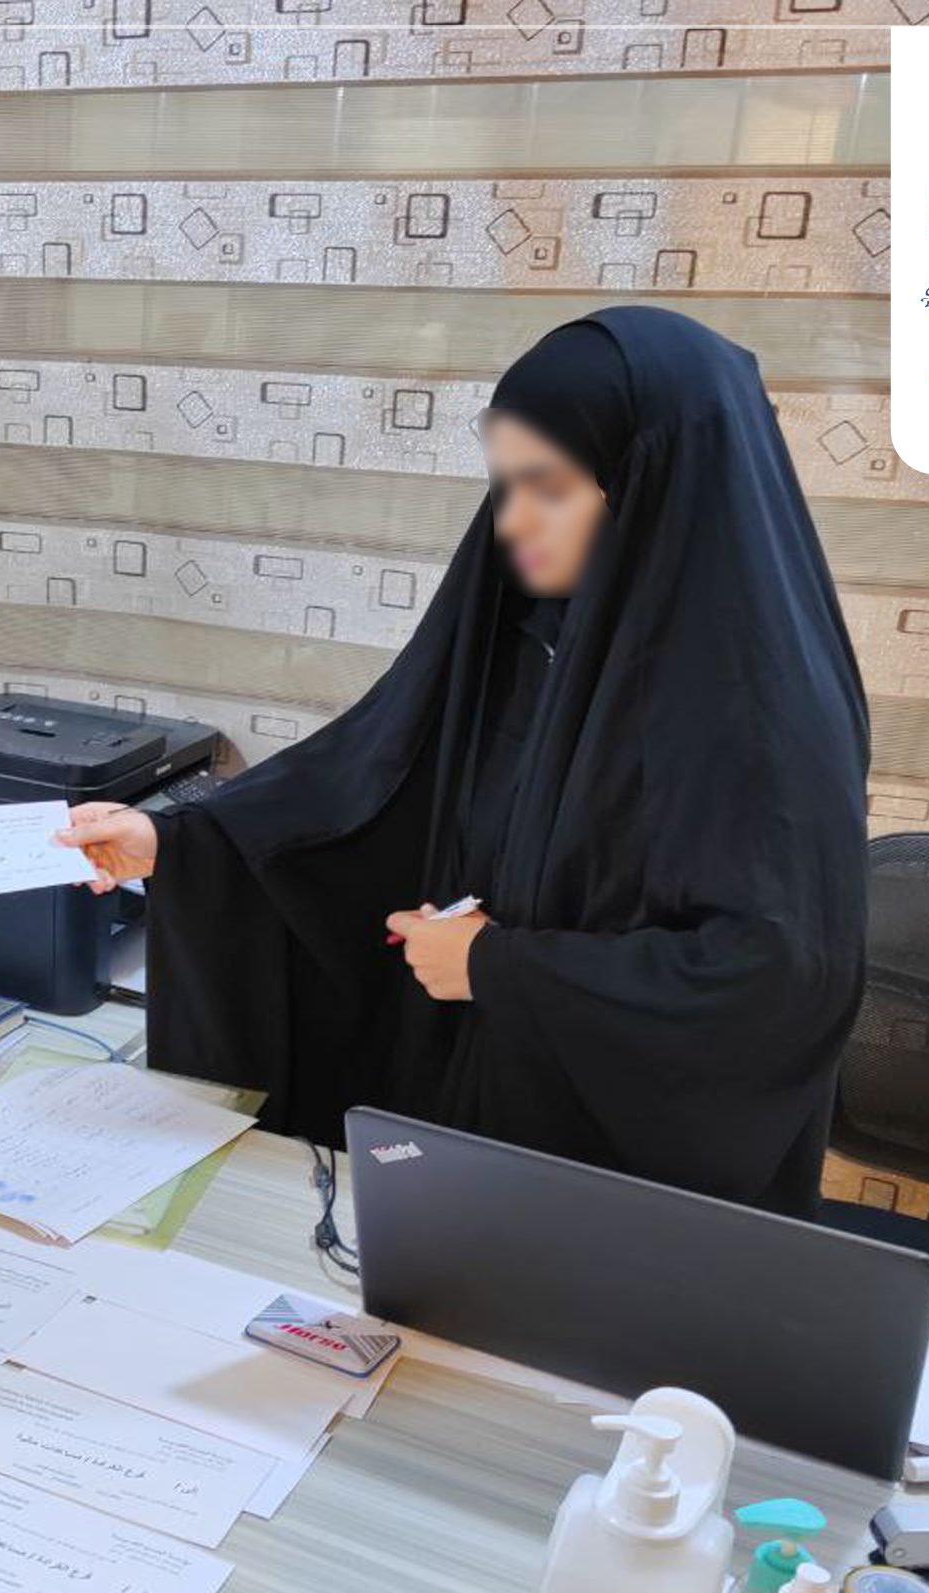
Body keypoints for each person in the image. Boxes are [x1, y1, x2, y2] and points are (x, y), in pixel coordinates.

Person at [59, 307, 868, 1218]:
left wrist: (497, 969)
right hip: (474, 1132)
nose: (511, 521)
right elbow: (377, 789)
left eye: (547, 486)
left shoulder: (762, 712)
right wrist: (179, 844)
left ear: (653, 483)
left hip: (628, 1201)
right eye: (502, 485)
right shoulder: (529, 633)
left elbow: (771, 987)